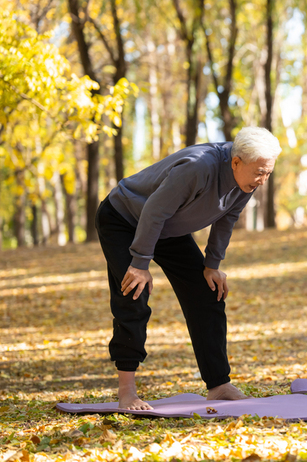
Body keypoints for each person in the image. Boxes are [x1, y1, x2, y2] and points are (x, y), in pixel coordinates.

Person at [95, 127, 282, 409]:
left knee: (207, 294)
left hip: (167, 228)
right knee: (134, 293)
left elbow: (227, 219)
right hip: (123, 218)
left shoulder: (247, 182)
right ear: (236, 162)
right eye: (260, 172)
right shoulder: (198, 167)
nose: (263, 180)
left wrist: (212, 265)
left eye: (268, 173)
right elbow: (154, 210)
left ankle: (219, 385)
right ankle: (127, 391)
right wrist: (140, 262)